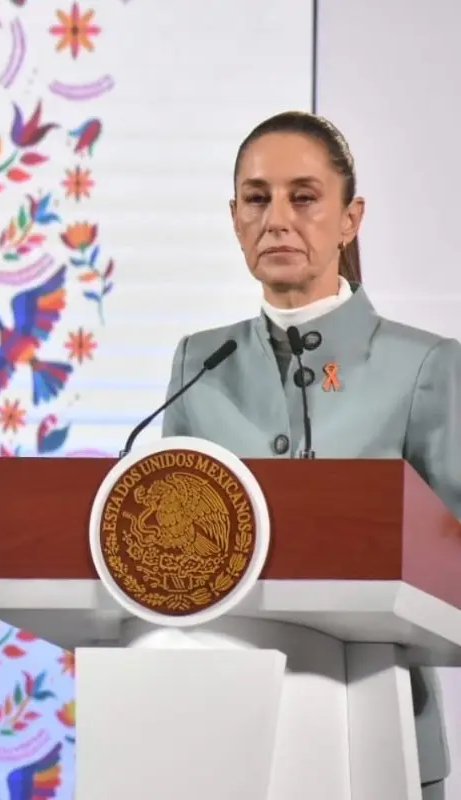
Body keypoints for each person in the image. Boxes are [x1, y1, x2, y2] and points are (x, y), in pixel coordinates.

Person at [161, 110, 460, 800]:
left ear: (350, 218)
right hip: (222, 733)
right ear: (234, 217)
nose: (277, 219)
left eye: (304, 197)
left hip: (381, 730)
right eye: (257, 198)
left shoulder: (426, 366)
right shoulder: (199, 363)